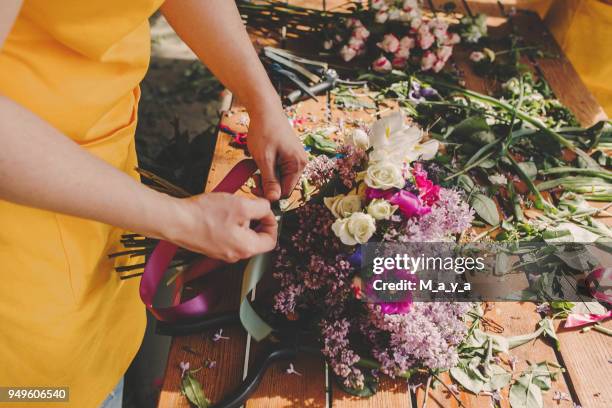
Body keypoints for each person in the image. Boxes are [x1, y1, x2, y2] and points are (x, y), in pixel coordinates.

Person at [0, 1, 307, 407]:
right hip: (20, 210)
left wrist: (260, 98)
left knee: (104, 360)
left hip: (103, 177)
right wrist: (177, 218)